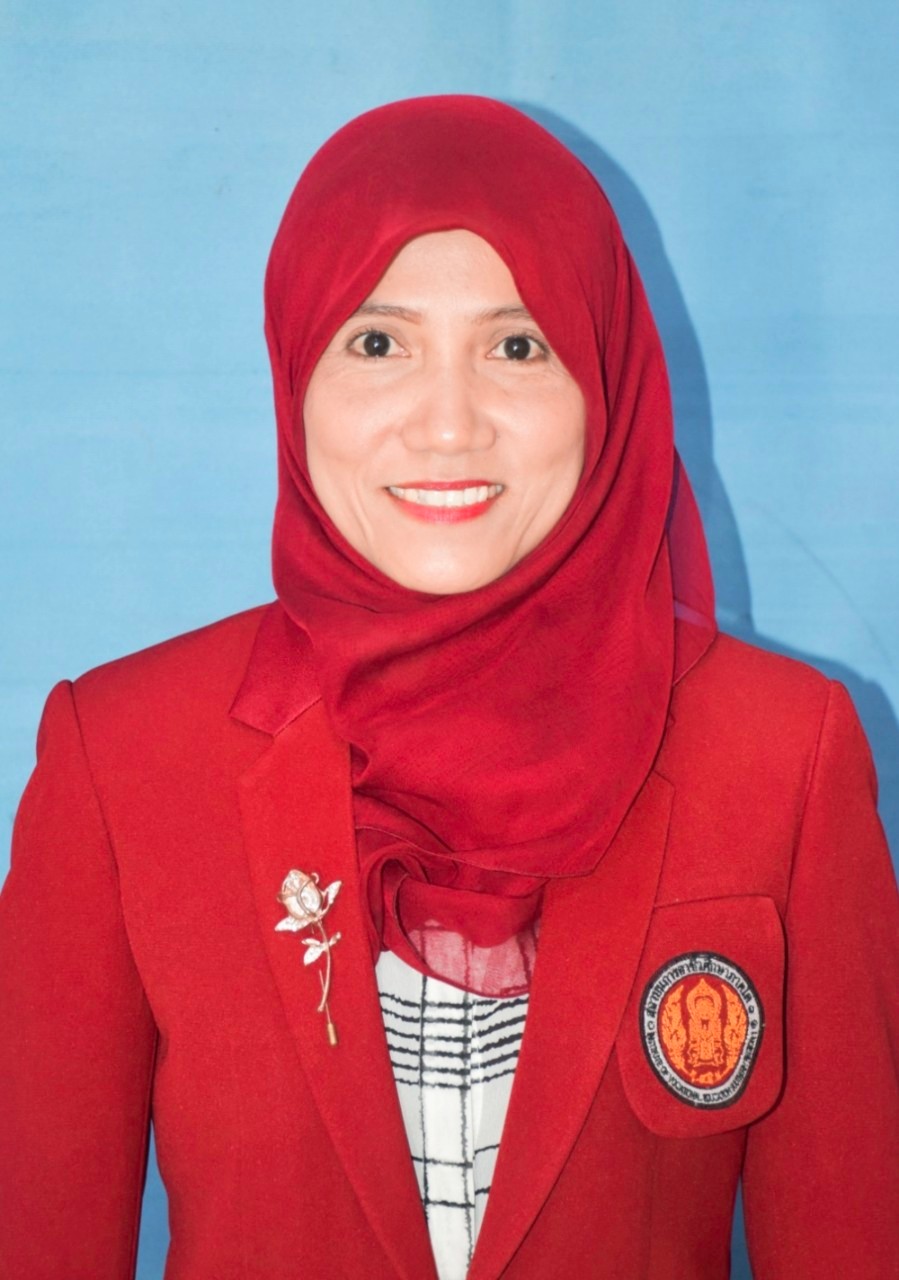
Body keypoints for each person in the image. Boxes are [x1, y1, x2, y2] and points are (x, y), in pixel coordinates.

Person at [0, 95, 896, 1280]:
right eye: (378, 344)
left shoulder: (780, 755)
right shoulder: (124, 762)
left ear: (603, 381)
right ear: (293, 372)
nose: (446, 424)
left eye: (516, 346)